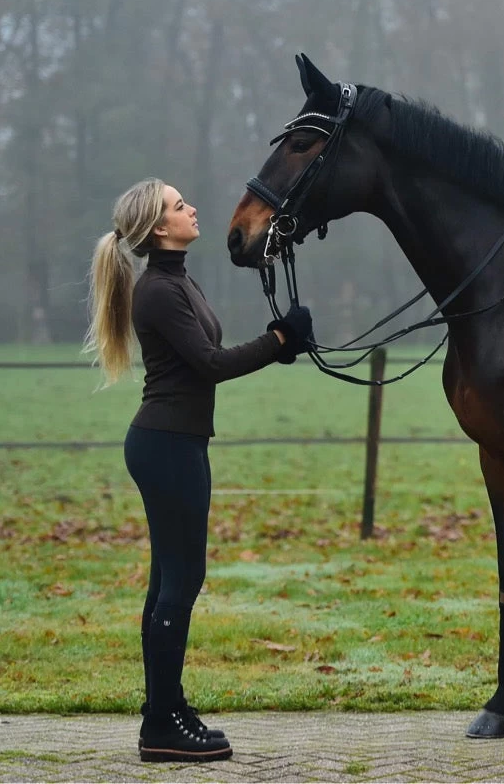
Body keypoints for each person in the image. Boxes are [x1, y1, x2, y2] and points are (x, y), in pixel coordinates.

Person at [84, 178, 313, 762]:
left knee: (169, 581)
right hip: (166, 445)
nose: (190, 208)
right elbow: (210, 364)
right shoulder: (159, 290)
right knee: (180, 583)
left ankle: (166, 707)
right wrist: (280, 337)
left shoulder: (177, 279)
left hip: (175, 442)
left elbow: (204, 358)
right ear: (160, 228)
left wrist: (279, 344)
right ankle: (161, 725)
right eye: (178, 204)